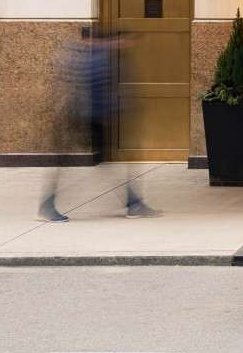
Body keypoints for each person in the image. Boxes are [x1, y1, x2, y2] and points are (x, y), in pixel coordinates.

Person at [38, 31, 162, 220]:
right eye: (123, 41)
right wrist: (117, 111)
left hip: (87, 118)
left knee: (82, 162)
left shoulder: (97, 56)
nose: (126, 45)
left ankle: (134, 203)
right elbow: (96, 91)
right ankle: (46, 207)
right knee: (66, 162)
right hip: (85, 119)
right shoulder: (97, 59)